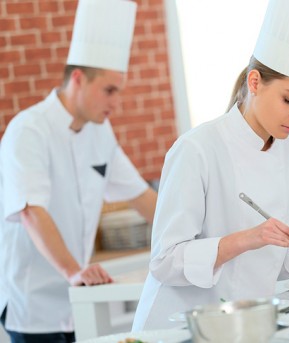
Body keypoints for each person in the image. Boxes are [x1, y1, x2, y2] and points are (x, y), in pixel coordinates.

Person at [132, 0, 289, 331]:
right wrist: (247, 239)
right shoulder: (197, 149)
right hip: (183, 327)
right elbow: (164, 261)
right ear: (255, 82)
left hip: (251, 325)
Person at [0, 0, 158, 341]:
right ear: (77, 79)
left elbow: (141, 196)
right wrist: (74, 271)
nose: (115, 103)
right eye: (109, 90)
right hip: (34, 307)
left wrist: (198, 235)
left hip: (79, 302)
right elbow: (31, 212)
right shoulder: (28, 130)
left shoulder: (100, 131)